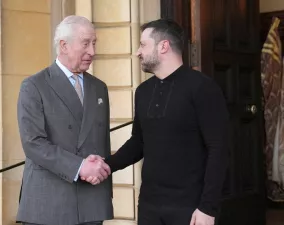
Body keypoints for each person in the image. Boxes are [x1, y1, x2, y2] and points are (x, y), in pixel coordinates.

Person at [83, 19, 230, 225]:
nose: (137, 52)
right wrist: (105, 165)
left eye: (143, 45)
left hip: (190, 207)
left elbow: (219, 149)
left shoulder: (203, 87)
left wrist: (208, 207)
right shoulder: (143, 92)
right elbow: (138, 142)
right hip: (149, 207)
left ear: (163, 46)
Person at [16, 15, 113, 225]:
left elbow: (102, 141)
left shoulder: (99, 88)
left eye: (94, 43)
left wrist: (99, 173)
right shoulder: (34, 86)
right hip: (50, 204)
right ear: (64, 45)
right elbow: (33, 143)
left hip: (92, 202)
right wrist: (80, 167)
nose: (92, 52)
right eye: (86, 43)